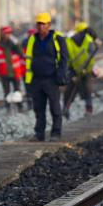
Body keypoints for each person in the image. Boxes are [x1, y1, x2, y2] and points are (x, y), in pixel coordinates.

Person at [23, 13, 69, 141]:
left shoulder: (57, 39)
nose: (41, 26)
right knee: (38, 109)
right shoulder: (33, 39)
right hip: (37, 79)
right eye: (39, 24)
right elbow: (29, 60)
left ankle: (56, 133)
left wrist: (60, 76)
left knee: (55, 108)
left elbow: (64, 59)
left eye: (43, 24)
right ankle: (39, 134)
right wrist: (28, 80)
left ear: (49, 25)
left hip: (51, 79)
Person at [63, 21, 99, 119]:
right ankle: (66, 109)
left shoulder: (87, 40)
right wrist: (71, 72)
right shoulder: (72, 42)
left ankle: (88, 109)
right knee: (72, 90)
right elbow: (68, 58)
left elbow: (92, 54)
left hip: (86, 70)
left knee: (87, 89)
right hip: (76, 70)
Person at [0, 26, 25, 111]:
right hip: (4, 73)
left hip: (15, 72)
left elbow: (21, 53)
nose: (8, 35)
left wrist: (16, 43)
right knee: (7, 91)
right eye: (6, 33)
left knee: (17, 91)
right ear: (2, 34)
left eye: (9, 33)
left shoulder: (14, 44)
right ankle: (8, 107)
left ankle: (19, 107)